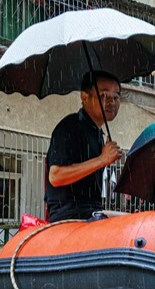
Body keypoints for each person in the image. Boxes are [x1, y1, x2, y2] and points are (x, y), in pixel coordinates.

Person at [45, 70, 124, 222]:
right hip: (70, 215)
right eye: (104, 95)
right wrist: (102, 159)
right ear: (84, 97)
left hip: (92, 211)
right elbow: (55, 176)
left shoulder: (98, 134)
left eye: (116, 97)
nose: (112, 102)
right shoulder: (69, 126)